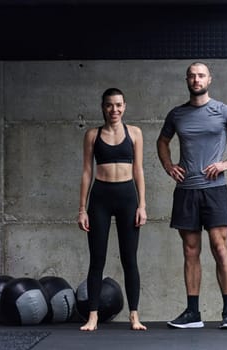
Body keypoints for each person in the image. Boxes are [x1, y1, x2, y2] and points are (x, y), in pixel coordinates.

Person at [157, 62, 227, 329]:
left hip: (214, 190)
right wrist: (169, 166)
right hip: (186, 191)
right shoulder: (177, 114)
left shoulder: (224, 111)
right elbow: (162, 141)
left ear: (209, 79)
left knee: (219, 247)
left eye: (201, 75)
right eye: (192, 76)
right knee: (190, 251)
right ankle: (193, 314)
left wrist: (226, 164)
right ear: (187, 80)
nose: (196, 79)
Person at [77, 88, 147, 331]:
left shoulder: (135, 133)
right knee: (97, 260)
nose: (114, 110)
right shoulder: (92, 135)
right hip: (100, 199)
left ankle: (134, 316)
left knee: (130, 260)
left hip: (127, 198)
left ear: (125, 106)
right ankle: (93, 316)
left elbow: (138, 170)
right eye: (109, 105)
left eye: (118, 105)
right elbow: (87, 172)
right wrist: (82, 209)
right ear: (103, 107)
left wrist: (142, 205)